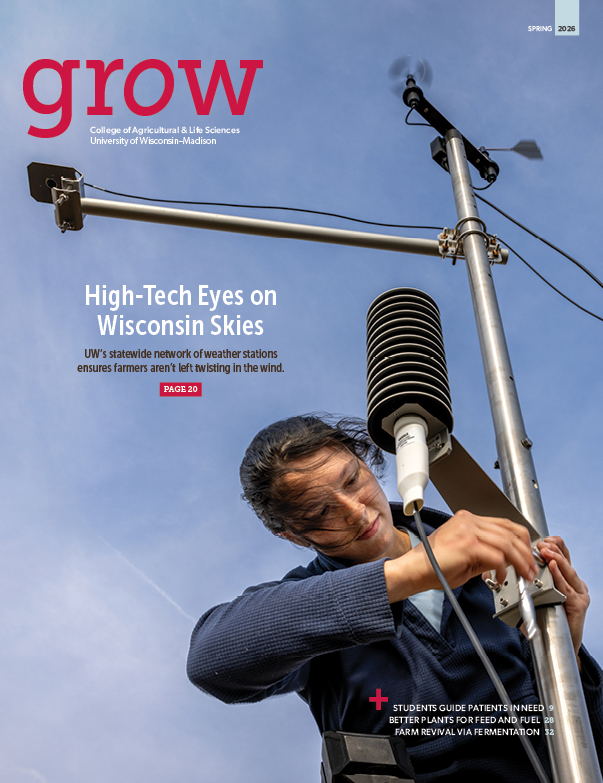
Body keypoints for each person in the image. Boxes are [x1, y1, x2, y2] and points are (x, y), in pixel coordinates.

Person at [187, 415, 602, 782]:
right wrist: (411, 572)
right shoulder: (305, 607)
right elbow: (211, 660)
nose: (356, 512)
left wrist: (567, 657)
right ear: (292, 535)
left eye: (353, 481)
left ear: (367, 461)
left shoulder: (497, 563)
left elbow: (590, 749)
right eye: (320, 513)